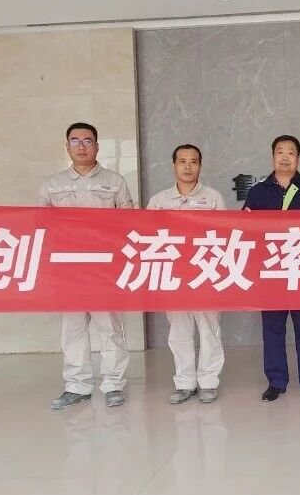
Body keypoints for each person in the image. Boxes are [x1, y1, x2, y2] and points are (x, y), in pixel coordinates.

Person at [38, 122, 134, 411]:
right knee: (73, 330)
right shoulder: (52, 185)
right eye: (75, 141)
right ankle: (76, 386)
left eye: (87, 141)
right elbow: (40, 226)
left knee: (110, 328)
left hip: (105, 268)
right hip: (68, 269)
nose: (81, 146)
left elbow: (129, 223)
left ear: (97, 146)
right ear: (67, 146)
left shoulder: (115, 182)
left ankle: (113, 384)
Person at [243, 134, 300, 401]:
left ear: (298, 158)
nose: (285, 157)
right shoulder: (258, 192)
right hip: (271, 272)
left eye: (291, 152)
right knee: (272, 329)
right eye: (280, 152)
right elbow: (245, 230)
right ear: (272, 157)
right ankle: (276, 381)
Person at [147, 144, 228, 405]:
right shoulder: (159, 201)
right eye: (182, 161)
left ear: (200, 166)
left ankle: (208, 382)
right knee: (179, 332)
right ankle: (184, 383)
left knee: (209, 330)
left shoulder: (213, 197)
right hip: (174, 275)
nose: (188, 166)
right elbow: (147, 235)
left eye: (193, 161)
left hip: (205, 273)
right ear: (174, 165)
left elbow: (225, 235)